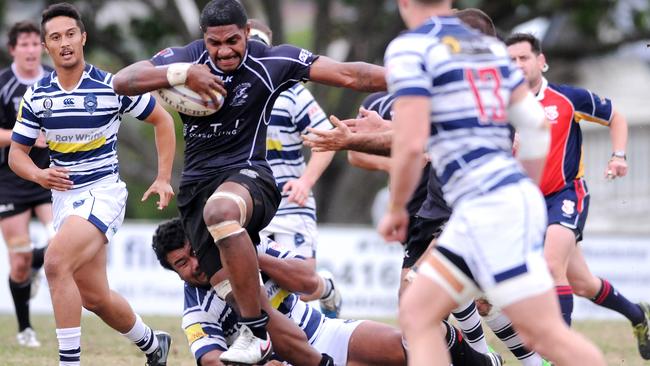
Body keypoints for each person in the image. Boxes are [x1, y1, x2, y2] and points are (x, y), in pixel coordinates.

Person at [113, 1, 385, 363]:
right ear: (203, 39)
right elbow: (123, 81)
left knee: (222, 211)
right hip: (195, 193)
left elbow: (352, 75)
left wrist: (417, 79)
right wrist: (182, 74)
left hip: (249, 178)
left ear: (246, 33)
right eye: (214, 43)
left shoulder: (271, 61)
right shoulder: (188, 58)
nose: (224, 50)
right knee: (258, 311)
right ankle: (301, 352)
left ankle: (254, 331)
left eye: (232, 40)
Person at [378, 0, 606, 365]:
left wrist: (395, 209)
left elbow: (409, 140)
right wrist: (525, 194)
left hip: (487, 205)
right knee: (418, 311)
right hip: (498, 201)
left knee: (543, 333)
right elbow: (535, 125)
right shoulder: (485, 47)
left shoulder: (411, 46)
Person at [9, 3, 175, 365]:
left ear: (83, 38)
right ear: (47, 46)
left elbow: (162, 120)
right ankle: (152, 344)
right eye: (55, 37)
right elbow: (16, 155)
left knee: (54, 263)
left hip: (103, 193)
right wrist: (38, 174)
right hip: (63, 199)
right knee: (95, 297)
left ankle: (70, 362)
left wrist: (163, 177)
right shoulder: (38, 96)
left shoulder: (112, 85)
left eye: (70, 34)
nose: (64, 42)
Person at [151, 217, 502, 366]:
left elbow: (306, 281)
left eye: (194, 252)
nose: (195, 265)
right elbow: (210, 359)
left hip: (324, 331)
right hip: (283, 358)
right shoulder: (197, 309)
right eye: (182, 264)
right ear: (175, 273)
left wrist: (250, 257)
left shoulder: (245, 250)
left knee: (414, 343)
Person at [506, 32, 650, 359]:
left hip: (565, 194)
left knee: (549, 264)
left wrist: (619, 156)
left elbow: (616, 116)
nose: (517, 65)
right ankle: (639, 315)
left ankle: (559, 355)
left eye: (523, 58)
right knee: (583, 284)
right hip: (528, 204)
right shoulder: (501, 107)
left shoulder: (566, 98)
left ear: (541, 61)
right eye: (510, 60)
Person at [248, 19, 342, 319]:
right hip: (249, 201)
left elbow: (327, 140)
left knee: (300, 284)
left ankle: (325, 287)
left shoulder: (292, 93)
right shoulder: (226, 93)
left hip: (290, 201)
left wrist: (305, 181)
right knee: (251, 279)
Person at [0, 20, 54, 348]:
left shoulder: (53, 80)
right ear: (13, 50)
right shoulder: (3, 84)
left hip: (49, 176)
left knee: (60, 239)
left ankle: (38, 262)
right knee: (18, 261)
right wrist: (28, 138)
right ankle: (25, 329)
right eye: (26, 44)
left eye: (37, 44)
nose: (32, 50)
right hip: (9, 178)